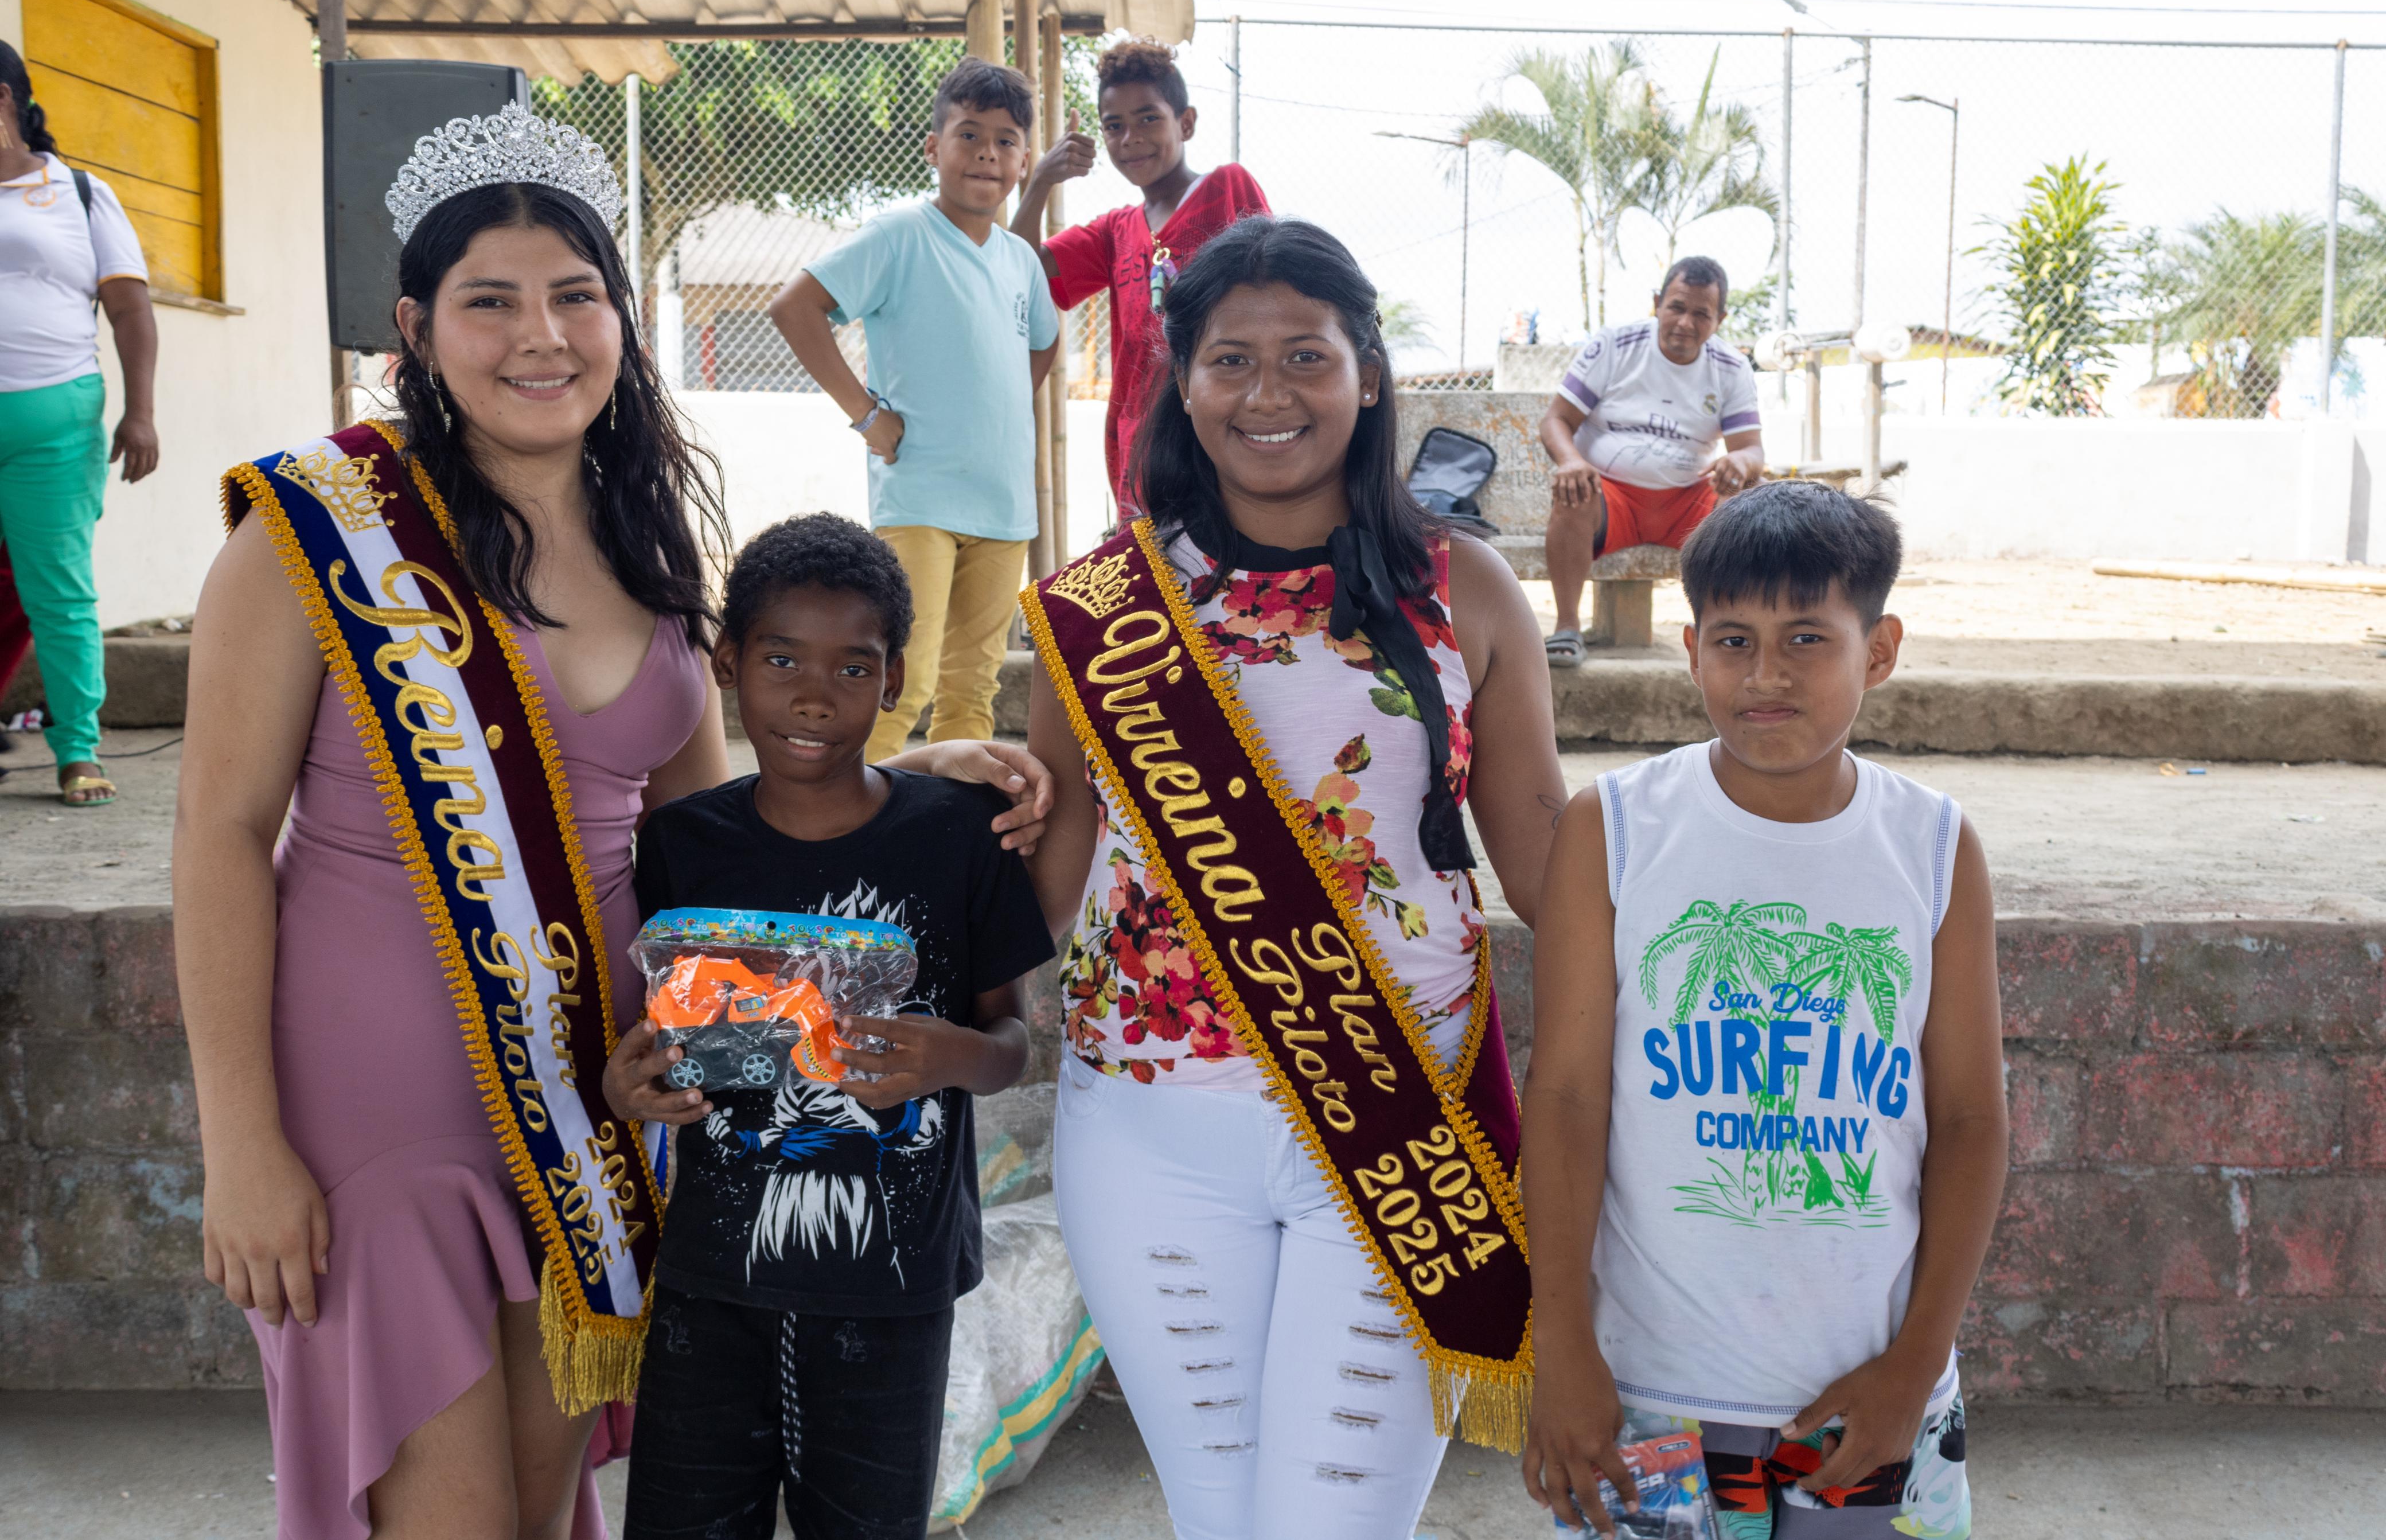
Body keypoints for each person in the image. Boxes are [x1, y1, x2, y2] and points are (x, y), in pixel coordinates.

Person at [173, 102, 1052, 1540]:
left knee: (542, 1508)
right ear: (417, 327)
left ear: (621, 322)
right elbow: (218, 834)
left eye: (576, 296)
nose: (541, 336)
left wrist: (900, 767)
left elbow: (716, 833)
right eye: (490, 301)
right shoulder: (314, 532)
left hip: (590, 1101)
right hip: (371, 1109)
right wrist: (240, 1143)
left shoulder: (650, 538)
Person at [1020, 216, 1568, 1538]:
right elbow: (1050, 867)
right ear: (1183, 382)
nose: (1267, 393)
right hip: (1148, 1132)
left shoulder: (1465, 589)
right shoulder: (1099, 608)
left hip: (1392, 1119)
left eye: (1305, 357)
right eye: (1231, 360)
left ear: (1367, 375)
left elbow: (1547, 856)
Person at [1519, 482, 2006, 1539]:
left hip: (1869, 1398)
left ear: (1879, 650)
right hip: (1651, 1393)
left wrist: (1916, 1362)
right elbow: (1564, 1101)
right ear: (1691, 649)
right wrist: (1562, 1351)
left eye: (1807, 638)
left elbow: (1971, 1120)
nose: (1766, 673)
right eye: (1734, 640)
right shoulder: (1615, 830)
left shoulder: (1933, 845)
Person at [602, 512, 1054, 1540]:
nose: (814, 695)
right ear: (727, 662)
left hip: (892, 1286)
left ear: (894, 680)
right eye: (781, 659)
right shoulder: (679, 844)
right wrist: (627, 1086)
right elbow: (654, 1037)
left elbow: (1013, 1044)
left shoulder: (958, 837)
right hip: (712, 1277)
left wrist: (949, 1055)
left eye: (854, 668)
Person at [770, 57, 1058, 763]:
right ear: (933, 147)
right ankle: (853, 805)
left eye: (1005, 140)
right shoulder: (899, 235)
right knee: (906, 678)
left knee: (973, 688)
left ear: (1023, 160)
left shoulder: (1020, 260)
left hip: (1004, 506)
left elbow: (1043, 342)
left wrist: (999, 411)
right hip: (921, 498)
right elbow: (795, 308)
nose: (987, 153)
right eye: (969, 135)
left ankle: (949, 814)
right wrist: (866, 414)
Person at [1009, 38, 1272, 516]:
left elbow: (1274, 283)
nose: (1130, 138)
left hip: (1221, 428)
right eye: (1114, 126)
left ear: (1185, 123)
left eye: (1148, 118)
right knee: (1153, 558)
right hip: (1141, 441)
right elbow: (1017, 267)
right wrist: (1041, 180)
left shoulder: (1227, 187)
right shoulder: (1113, 232)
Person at [0, 39, 161, 805]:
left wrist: (142, 413)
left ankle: (77, 750)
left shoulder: (80, 192)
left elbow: (130, 310)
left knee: (59, 591)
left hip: (54, 420)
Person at [1539, 256, 1763, 669]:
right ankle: (1567, 627)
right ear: (1658, 303)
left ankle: (1725, 634)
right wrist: (1570, 461)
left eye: (1702, 314)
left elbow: (1752, 449)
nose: (1685, 323)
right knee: (1573, 490)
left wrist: (1739, 461)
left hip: (1689, 503)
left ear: (1720, 320)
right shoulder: (1615, 345)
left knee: (1752, 502)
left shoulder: (1732, 367)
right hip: (1610, 498)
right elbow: (1556, 420)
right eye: (1676, 307)